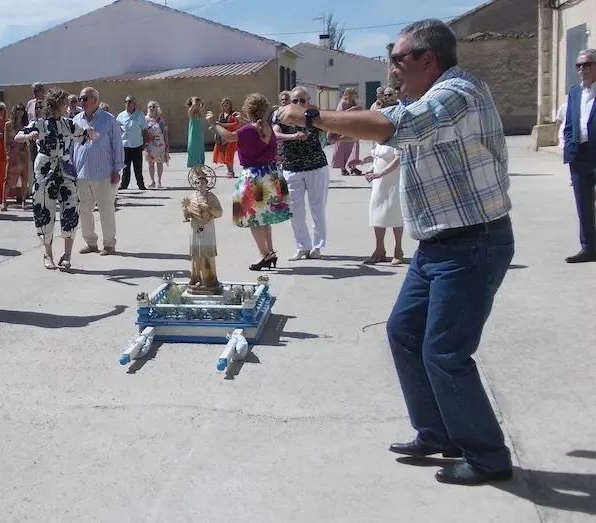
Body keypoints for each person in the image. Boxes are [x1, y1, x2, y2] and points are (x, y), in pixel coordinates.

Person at [277, 19, 514, 485]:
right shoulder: (428, 96)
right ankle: (438, 432)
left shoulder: (456, 94)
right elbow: (386, 127)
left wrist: (312, 117)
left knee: (445, 352)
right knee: (404, 334)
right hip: (439, 243)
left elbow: (392, 126)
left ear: (429, 58)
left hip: (472, 242)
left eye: (398, 60)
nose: (391, 71)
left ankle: (488, 457)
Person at [16, 88, 99, 270]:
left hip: (66, 172)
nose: (68, 107)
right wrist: (28, 136)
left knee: (70, 211)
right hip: (45, 172)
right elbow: (18, 136)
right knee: (45, 211)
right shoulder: (40, 123)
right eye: (64, 103)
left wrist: (91, 134)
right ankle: (48, 253)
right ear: (56, 105)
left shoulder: (69, 124)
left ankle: (67, 255)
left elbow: (86, 134)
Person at [209, 94, 291, 271]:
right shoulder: (267, 127)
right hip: (271, 174)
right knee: (265, 216)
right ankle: (270, 251)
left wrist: (213, 123)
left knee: (254, 218)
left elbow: (229, 137)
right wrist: (245, 119)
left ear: (248, 109)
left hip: (253, 177)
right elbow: (255, 129)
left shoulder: (248, 131)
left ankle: (264, 254)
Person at [273, 86, 330, 260]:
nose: (298, 103)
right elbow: (275, 135)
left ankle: (317, 247)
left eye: (302, 100)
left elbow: (330, 129)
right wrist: (293, 136)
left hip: (316, 166)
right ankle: (302, 246)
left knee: (317, 208)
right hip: (291, 168)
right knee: (295, 210)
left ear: (308, 101)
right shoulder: (281, 115)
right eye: (295, 100)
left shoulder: (315, 115)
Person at [72, 86, 123, 256]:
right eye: (81, 99)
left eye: (85, 98)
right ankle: (90, 242)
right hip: (81, 173)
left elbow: (117, 145)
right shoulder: (76, 120)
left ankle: (109, 245)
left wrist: (117, 168)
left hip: (103, 173)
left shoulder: (109, 120)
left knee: (106, 209)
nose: (82, 102)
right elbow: (73, 147)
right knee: (85, 209)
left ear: (95, 99)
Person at [562, 47, 596, 263]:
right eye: (579, 65)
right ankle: (588, 248)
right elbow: (570, 123)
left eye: (587, 64)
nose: (582, 69)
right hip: (579, 155)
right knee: (583, 205)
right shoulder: (574, 92)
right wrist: (567, 143)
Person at [116, 95, 146, 190]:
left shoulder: (140, 115)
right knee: (125, 167)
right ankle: (124, 184)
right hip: (125, 145)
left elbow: (144, 129)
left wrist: (144, 142)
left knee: (138, 167)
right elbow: (116, 128)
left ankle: (141, 185)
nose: (127, 103)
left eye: (129, 101)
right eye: (126, 101)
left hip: (137, 144)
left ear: (134, 104)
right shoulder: (121, 115)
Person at [185, 97, 206, 169]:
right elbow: (193, 106)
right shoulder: (190, 112)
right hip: (193, 136)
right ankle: (196, 172)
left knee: (200, 151)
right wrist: (194, 99)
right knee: (194, 152)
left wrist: (200, 101)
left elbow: (203, 104)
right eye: (196, 104)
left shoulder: (199, 112)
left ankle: (199, 169)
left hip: (199, 136)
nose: (197, 105)